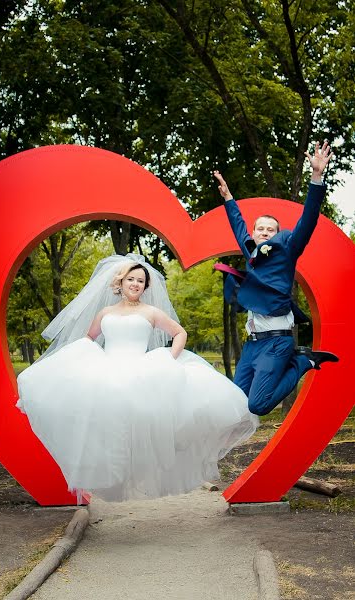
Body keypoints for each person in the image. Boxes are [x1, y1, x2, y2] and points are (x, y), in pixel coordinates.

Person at [17, 253, 259, 503]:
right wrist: (85, 356)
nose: (135, 284)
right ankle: (107, 471)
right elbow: (89, 337)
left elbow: (179, 333)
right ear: (120, 282)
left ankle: (143, 469)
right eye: (131, 279)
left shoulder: (151, 312)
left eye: (140, 281)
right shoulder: (105, 312)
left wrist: (170, 358)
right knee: (103, 422)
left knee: (146, 422)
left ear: (145, 286)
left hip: (141, 369)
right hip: (109, 369)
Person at [213, 141, 339, 417]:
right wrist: (227, 198)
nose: (265, 232)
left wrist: (316, 178)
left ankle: (302, 361)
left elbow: (308, 219)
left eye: (271, 229)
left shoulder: (288, 250)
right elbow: (237, 225)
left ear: (277, 234)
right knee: (237, 402)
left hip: (277, 341)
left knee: (258, 405)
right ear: (255, 233)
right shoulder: (251, 253)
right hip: (253, 343)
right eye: (260, 228)